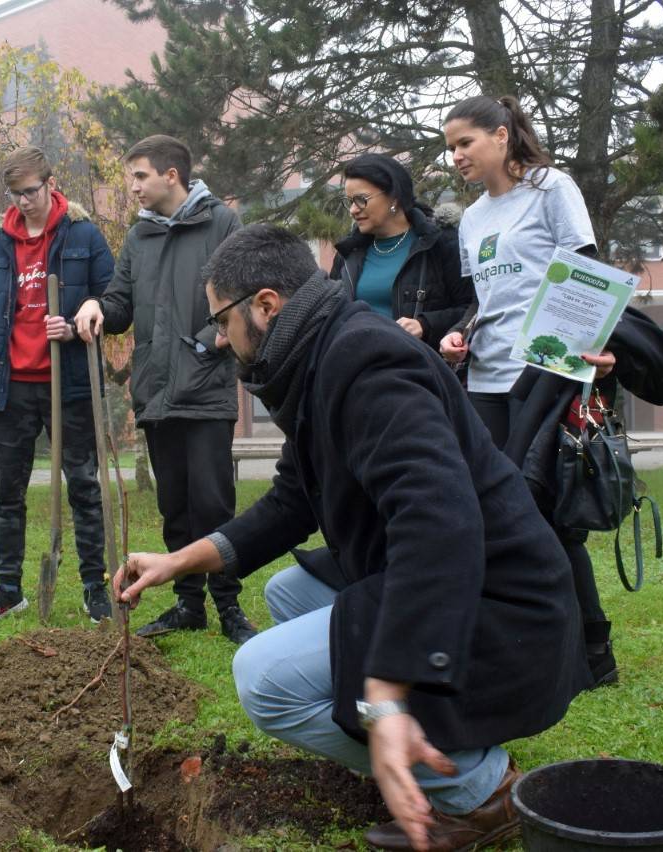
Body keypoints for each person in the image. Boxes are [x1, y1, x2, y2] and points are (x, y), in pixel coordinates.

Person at [114, 226, 589, 852]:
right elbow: (291, 501)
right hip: (463, 585)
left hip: (501, 605)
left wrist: (387, 696)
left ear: (265, 304)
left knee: (264, 680)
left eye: (221, 321)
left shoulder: (366, 362)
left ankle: (480, 790)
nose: (220, 341)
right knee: (290, 592)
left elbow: (440, 519)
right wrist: (179, 561)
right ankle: (430, 740)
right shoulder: (319, 355)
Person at [437, 95, 625, 687]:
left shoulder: (550, 188)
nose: (456, 156)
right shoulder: (471, 220)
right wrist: (458, 333)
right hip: (485, 379)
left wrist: (591, 357)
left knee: (541, 515)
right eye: (449, 148)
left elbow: (588, 272)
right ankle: (535, 644)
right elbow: (481, 300)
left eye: (464, 142)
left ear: (500, 135)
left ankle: (594, 652)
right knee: (498, 512)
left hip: (545, 372)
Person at [74, 135, 257, 645]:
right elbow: (119, 304)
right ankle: (188, 604)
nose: (131, 186)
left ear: (170, 175)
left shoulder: (221, 223)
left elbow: (240, 297)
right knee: (176, 504)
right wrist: (96, 307)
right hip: (155, 390)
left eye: (139, 176)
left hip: (205, 388)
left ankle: (229, 607)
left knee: (213, 502)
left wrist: (204, 345)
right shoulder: (139, 236)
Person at [0, 146, 113, 624]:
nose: (25, 201)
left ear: (51, 183)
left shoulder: (83, 235)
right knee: (8, 491)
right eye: (16, 194)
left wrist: (74, 327)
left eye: (31, 191)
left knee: (84, 486)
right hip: (11, 385)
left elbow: (111, 297)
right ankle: (9, 588)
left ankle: (96, 587)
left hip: (68, 382)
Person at [330, 154, 474, 346]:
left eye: (361, 200)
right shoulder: (347, 254)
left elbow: (471, 308)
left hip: (420, 369)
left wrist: (425, 325)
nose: (353, 210)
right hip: (358, 369)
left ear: (394, 198)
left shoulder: (441, 243)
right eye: (350, 201)